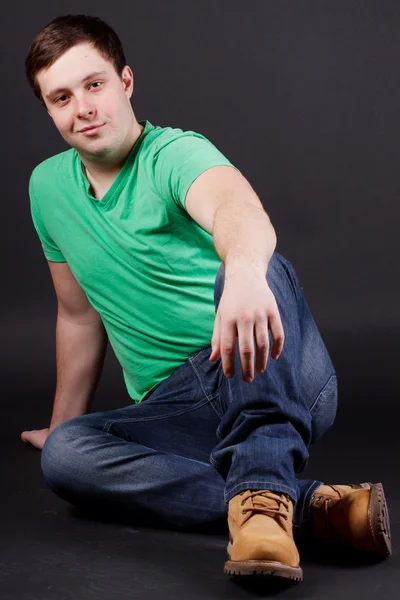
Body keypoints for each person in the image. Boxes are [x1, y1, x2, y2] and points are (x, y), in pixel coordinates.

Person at [22, 14, 391, 582]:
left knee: (261, 269)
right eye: (61, 97)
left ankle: (268, 496)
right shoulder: (47, 188)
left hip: (269, 367)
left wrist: (242, 272)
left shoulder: (173, 153)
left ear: (125, 82)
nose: (83, 108)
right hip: (179, 410)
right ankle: (311, 506)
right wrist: (62, 422)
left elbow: (237, 212)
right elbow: (76, 314)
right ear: (48, 109)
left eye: (94, 85)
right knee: (67, 456)